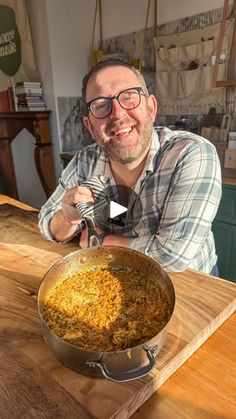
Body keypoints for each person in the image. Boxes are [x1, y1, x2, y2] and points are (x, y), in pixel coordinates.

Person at [38, 58, 222, 274]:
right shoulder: (84, 162)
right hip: (117, 274)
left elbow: (173, 256)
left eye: (129, 97)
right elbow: (46, 223)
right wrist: (67, 219)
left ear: (151, 108)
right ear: (89, 126)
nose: (117, 114)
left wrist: (101, 240)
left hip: (193, 286)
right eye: (101, 105)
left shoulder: (191, 153)